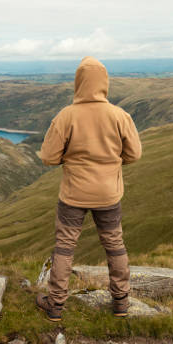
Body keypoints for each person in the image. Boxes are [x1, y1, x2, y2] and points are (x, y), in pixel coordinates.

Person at [35, 56, 142, 321]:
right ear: (104, 82)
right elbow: (134, 154)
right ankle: (120, 302)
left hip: (73, 194)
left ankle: (56, 305)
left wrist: (69, 161)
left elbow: (48, 157)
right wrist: (111, 164)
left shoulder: (66, 115)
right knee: (115, 245)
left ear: (79, 83)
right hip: (108, 193)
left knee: (65, 246)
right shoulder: (119, 115)